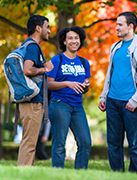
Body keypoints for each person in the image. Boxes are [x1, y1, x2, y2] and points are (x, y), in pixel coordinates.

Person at [98, 12, 137, 173]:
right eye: (116, 24)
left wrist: (135, 101)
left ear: (131, 26)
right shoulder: (115, 47)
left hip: (131, 104)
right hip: (112, 102)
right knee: (113, 144)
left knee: (134, 145)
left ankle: (136, 175)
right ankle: (117, 175)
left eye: (120, 24)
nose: (116, 27)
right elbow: (109, 73)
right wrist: (104, 96)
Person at [46, 26, 91, 169]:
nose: (74, 41)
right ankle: (58, 173)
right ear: (64, 41)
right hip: (59, 104)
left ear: (80, 41)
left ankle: (80, 174)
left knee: (85, 142)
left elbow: (84, 87)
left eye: (76, 38)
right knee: (59, 143)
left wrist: (86, 86)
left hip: (77, 106)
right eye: (70, 38)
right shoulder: (57, 59)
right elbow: (48, 84)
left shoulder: (84, 62)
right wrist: (67, 83)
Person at [17, 15, 54, 166]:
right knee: (30, 140)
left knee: (30, 140)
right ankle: (23, 172)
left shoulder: (28, 45)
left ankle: (27, 171)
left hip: (29, 99)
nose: (49, 31)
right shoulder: (33, 47)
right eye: (47, 27)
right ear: (38, 28)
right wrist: (45, 69)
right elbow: (27, 69)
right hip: (32, 100)